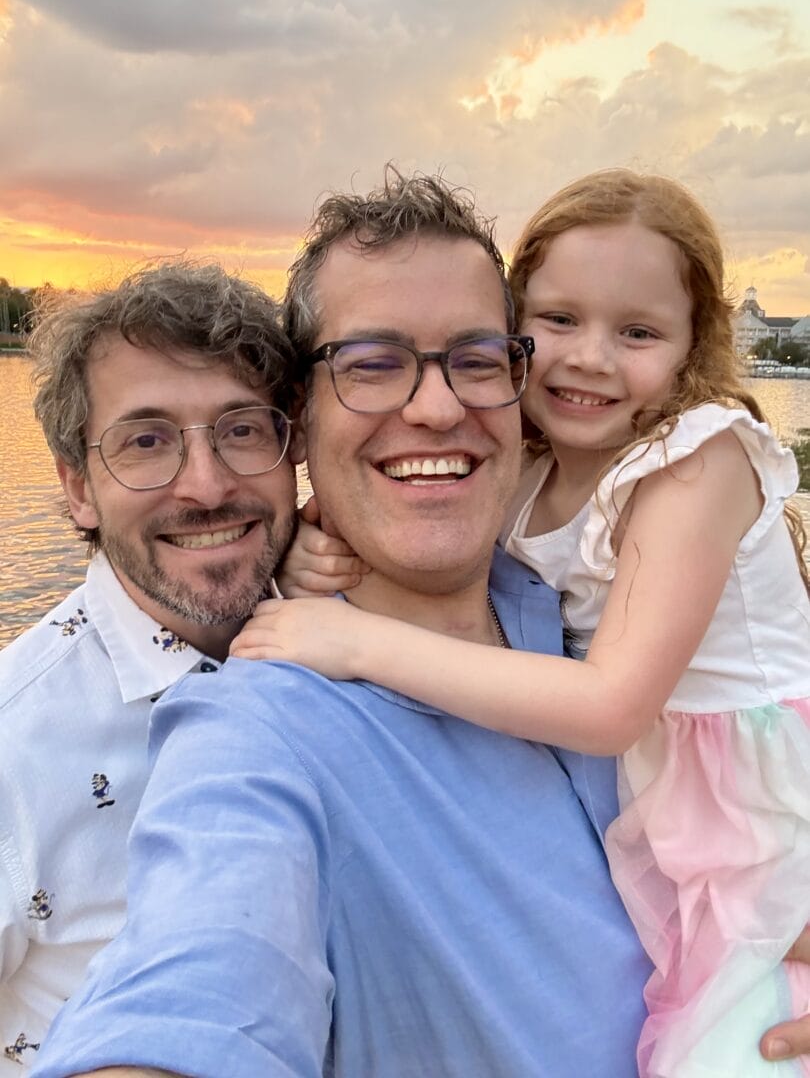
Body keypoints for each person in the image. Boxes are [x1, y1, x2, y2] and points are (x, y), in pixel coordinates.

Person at [32, 171, 653, 1078]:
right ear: (301, 420)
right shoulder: (259, 734)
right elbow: (198, 984)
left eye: (477, 359)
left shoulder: (590, 590)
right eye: (371, 364)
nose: (438, 407)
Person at [232, 170, 810, 1077]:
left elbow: (613, 706)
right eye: (561, 320)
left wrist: (357, 643)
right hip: (680, 820)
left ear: (693, 344)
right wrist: (312, 544)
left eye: (639, 332)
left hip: (759, 812)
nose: (591, 358)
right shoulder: (533, 471)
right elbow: (403, 503)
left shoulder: (693, 461)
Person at [0, 260, 299, 1074]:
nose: (206, 486)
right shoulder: (16, 745)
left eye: (242, 429)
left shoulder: (350, 640)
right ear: (78, 489)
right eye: (145, 441)